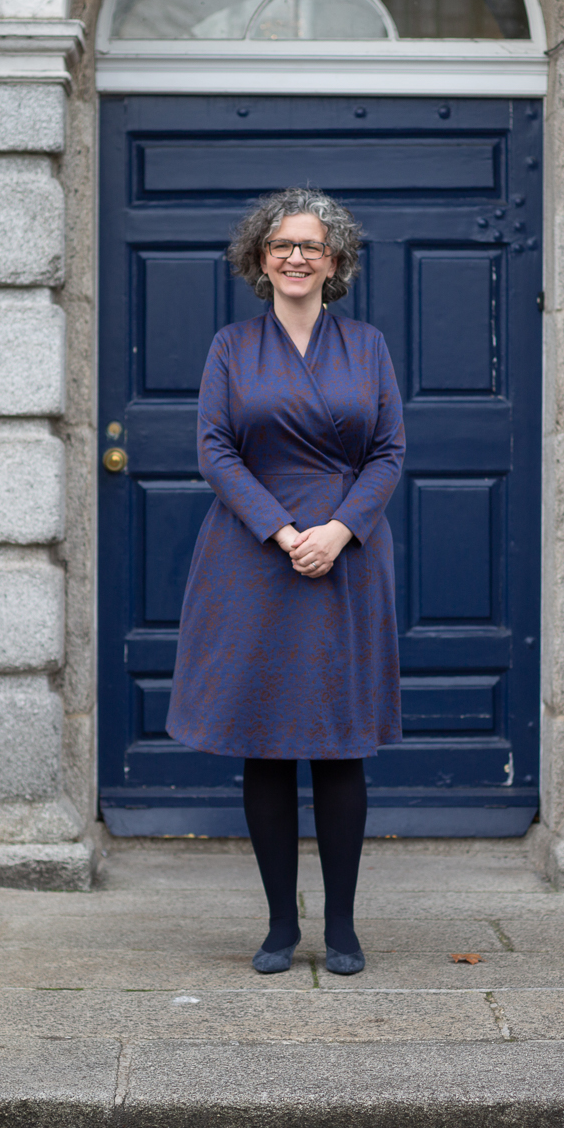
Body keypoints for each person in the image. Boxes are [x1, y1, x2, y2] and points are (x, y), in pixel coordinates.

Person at [166, 188, 405, 978]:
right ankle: (277, 925)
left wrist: (338, 529)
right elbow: (215, 450)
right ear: (259, 259)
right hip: (253, 555)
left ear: (335, 261)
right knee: (264, 745)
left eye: (312, 245)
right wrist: (283, 529)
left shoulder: (367, 346)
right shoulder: (231, 346)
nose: (296, 256)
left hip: (347, 555)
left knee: (339, 747)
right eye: (281, 244)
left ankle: (341, 926)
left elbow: (389, 454)